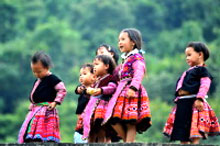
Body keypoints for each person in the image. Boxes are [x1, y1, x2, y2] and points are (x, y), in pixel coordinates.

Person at [163, 42, 220, 144]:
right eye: (186, 56)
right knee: (182, 132)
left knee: (194, 129)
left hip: (193, 102)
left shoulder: (202, 70)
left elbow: (205, 84)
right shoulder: (189, 71)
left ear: (200, 55)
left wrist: (199, 98)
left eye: (189, 55)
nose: (187, 58)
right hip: (182, 103)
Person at [103, 28, 152, 142]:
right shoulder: (125, 59)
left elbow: (139, 73)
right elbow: (116, 73)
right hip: (121, 92)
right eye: (119, 40)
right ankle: (128, 142)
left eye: (123, 39)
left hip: (131, 91)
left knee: (130, 121)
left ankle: (128, 143)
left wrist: (133, 88)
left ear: (133, 42)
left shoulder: (136, 58)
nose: (119, 42)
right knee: (113, 119)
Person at [18, 51, 67, 143]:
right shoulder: (38, 81)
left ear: (47, 68)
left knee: (44, 130)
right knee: (32, 128)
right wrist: (32, 103)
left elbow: (62, 90)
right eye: (34, 72)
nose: (36, 74)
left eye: (39, 71)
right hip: (36, 109)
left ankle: (42, 140)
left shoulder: (53, 79)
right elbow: (35, 94)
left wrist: (55, 102)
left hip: (46, 109)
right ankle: (32, 139)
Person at [82, 55, 117, 142]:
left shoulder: (110, 78)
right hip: (92, 108)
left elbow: (112, 88)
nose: (94, 67)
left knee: (101, 131)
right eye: (94, 65)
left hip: (102, 107)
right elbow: (90, 93)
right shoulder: (97, 81)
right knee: (91, 132)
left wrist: (101, 90)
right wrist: (86, 90)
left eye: (97, 64)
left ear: (106, 66)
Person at [74, 63, 96, 143]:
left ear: (94, 77)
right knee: (80, 128)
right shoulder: (82, 87)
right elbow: (76, 90)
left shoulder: (94, 88)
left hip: (88, 113)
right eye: (80, 75)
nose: (81, 76)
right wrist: (78, 89)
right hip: (80, 113)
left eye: (84, 74)